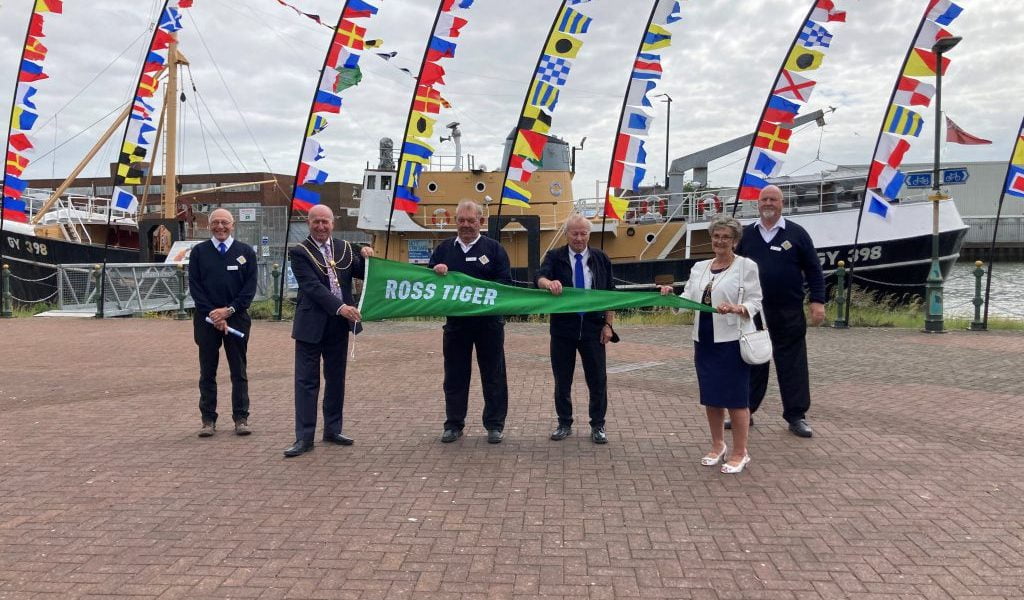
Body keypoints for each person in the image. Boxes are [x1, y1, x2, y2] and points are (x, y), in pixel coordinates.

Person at [660, 215, 762, 473]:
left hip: (732, 341)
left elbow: (755, 301)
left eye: (726, 237)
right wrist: (671, 298)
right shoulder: (700, 267)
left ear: (735, 241)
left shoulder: (746, 266)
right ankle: (718, 446)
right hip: (704, 340)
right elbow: (687, 299)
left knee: (736, 398)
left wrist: (739, 308)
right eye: (716, 236)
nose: (720, 241)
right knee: (712, 397)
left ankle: (741, 452)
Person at [734, 185, 826, 438]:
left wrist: (818, 301)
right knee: (752, 362)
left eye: (773, 199)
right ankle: (746, 411)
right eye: (764, 199)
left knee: (793, 365)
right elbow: (732, 270)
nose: (768, 203)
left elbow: (814, 270)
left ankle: (796, 416)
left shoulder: (797, 234)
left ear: (782, 203)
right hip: (754, 313)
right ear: (758, 203)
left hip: (788, 311)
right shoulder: (745, 235)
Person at [283, 205, 373, 457]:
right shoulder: (299, 252)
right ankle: (304, 438)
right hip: (310, 325)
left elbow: (364, 273)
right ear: (308, 223)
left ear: (333, 223)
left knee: (336, 380)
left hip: (338, 326)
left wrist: (367, 257)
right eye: (316, 222)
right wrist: (341, 307)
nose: (321, 226)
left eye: (325, 222)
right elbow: (312, 287)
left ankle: (333, 429)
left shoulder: (345, 248)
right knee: (306, 382)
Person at [429, 200, 512, 444]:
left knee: (494, 376)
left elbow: (505, 284)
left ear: (481, 222)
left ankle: (495, 425)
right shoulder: (444, 249)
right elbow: (427, 284)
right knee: (454, 376)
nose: (466, 225)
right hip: (456, 325)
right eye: (461, 221)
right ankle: (453, 424)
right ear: (456, 222)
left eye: (471, 220)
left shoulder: (495, 249)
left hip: (489, 325)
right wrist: (435, 271)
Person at [536, 214, 615, 444]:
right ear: (566, 234)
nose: (579, 238)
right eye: (574, 233)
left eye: (583, 234)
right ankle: (564, 422)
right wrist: (548, 283)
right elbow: (538, 277)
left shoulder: (600, 258)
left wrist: (608, 325)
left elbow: (611, 293)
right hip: (563, 330)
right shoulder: (555, 256)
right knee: (562, 379)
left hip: (593, 329)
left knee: (598, 379)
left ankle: (598, 425)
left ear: (589, 234)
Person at [188, 208, 258, 437]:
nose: (220, 227)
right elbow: (196, 288)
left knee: (239, 370)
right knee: (207, 371)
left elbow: (249, 290)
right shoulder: (199, 252)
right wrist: (213, 315)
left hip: (236, 319)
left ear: (233, 224)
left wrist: (228, 311)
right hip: (206, 320)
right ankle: (208, 420)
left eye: (224, 223)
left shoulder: (245, 252)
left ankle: (241, 418)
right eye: (216, 222)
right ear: (209, 225)